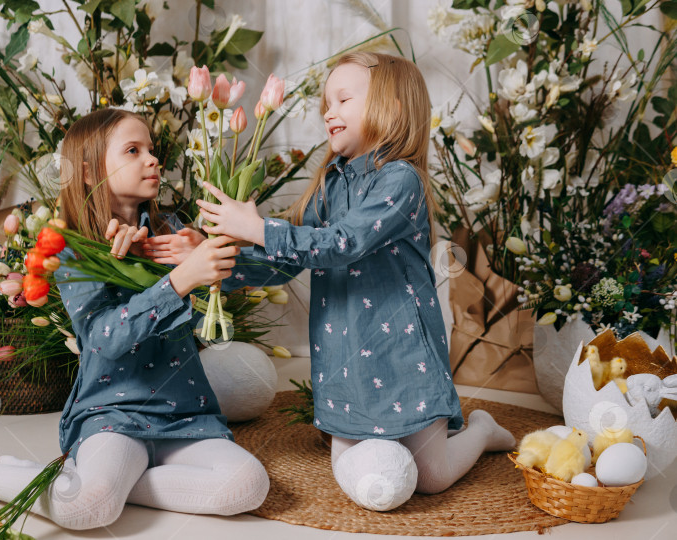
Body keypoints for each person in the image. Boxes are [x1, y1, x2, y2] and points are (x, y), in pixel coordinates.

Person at [146, 52, 515, 512]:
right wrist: (209, 258)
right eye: (327, 102)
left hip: (402, 352)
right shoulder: (331, 184)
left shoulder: (402, 181)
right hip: (345, 357)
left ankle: (479, 428)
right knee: (352, 469)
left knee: (433, 477)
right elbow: (285, 259)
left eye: (343, 99)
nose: (329, 111)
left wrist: (258, 227)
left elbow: (342, 243)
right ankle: (397, 451)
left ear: (393, 109)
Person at [0, 108, 269, 530]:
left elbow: (254, 276)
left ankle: (107, 481)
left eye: (151, 148)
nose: (152, 159)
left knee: (247, 486)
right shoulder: (71, 249)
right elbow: (102, 340)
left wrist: (209, 247)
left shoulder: (173, 230)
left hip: (186, 413)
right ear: (91, 172)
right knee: (86, 508)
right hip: (113, 414)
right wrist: (178, 282)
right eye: (133, 150)